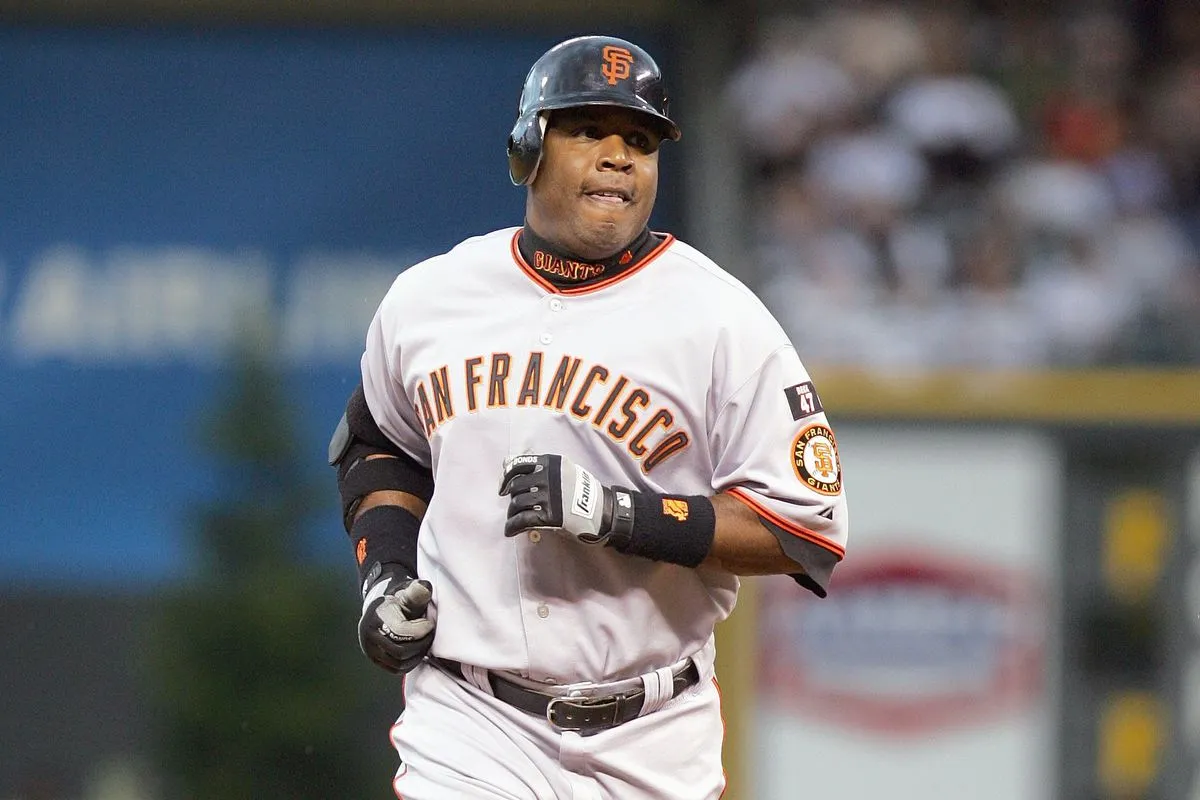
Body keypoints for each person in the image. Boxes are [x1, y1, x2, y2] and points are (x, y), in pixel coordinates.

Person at [328, 34, 849, 800]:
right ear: (527, 151)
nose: (617, 156)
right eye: (586, 130)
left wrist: (621, 515)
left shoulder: (721, 319)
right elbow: (380, 446)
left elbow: (803, 531)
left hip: (652, 729)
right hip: (472, 722)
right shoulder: (430, 298)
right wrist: (386, 573)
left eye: (639, 139)